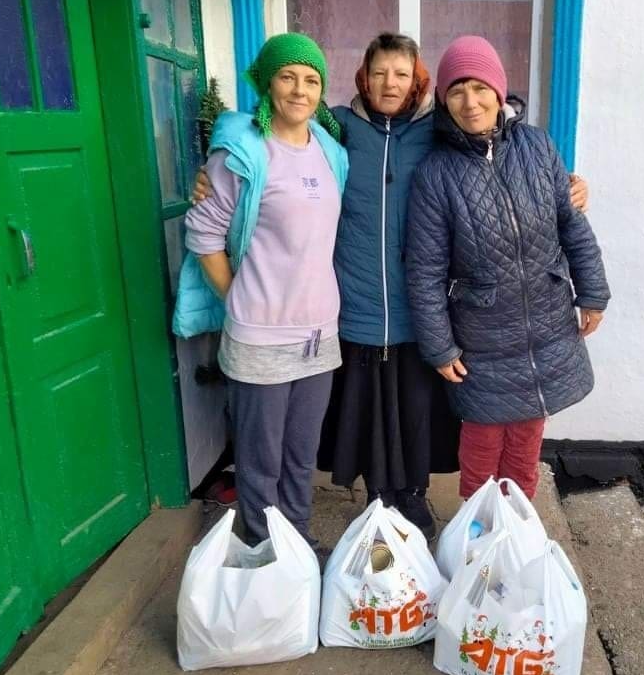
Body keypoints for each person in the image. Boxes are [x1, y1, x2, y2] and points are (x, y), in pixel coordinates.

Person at [192, 33, 590, 539]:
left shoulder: (438, 131)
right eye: (379, 73)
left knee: (417, 413)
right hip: (354, 302)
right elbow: (271, 135)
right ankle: (371, 497)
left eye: (402, 74)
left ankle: (412, 495)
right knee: (367, 413)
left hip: (422, 307)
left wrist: (570, 185)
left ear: (417, 80)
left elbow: (494, 158)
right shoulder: (337, 129)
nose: (390, 83)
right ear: (363, 76)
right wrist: (215, 170)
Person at [405, 35, 610, 500]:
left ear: (499, 91)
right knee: (481, 446)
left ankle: (518, 527)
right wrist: (439, 347)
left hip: (546, 323)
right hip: (482, 338)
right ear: (443, 100)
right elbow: (425, 272)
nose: (470, 102)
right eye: (457, 91)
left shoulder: (537, 146)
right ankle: (478, 533)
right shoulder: (436, 173)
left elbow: (571, 225)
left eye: (480, 88)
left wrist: (593, 292)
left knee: (526, 441)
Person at [178, 32, 348, 547]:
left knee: (301, 456)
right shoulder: (243, 151)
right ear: (267, 83)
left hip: (319, 335)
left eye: (311, 80)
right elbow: (204, 233)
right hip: (260, 336)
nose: (300, 90)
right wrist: (237, 298)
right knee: (260, 460)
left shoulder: (330, 150)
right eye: (287, 76)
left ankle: (296, 546)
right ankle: (262, 549)